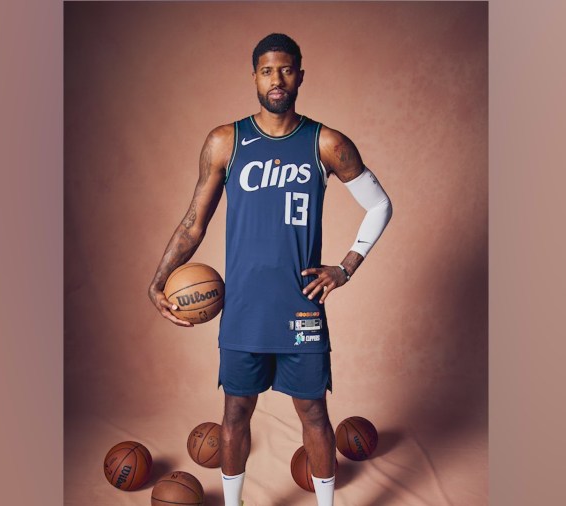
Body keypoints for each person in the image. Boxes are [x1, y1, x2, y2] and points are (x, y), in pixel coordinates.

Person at [148, 33, 392, 506]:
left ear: (300, 74)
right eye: (266, 70)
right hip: (243, 308)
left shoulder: (326, 142)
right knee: (236, 412)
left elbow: (380, 205)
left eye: (285, 69)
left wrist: (345, 267)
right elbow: (193, 224)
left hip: (301, 308)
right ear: (254, 76)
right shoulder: (226, 141)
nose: (276, 79)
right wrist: (158, 280)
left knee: (315, 414)